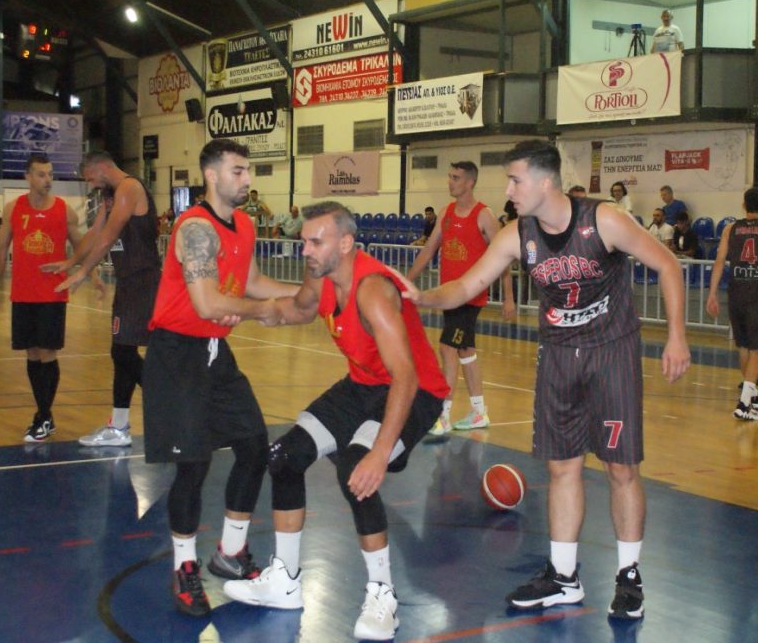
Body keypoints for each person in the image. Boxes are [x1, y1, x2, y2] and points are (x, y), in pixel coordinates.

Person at [397, 140, 690, 620]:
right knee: (561, 468)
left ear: (545, 182)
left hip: (611, 352)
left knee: (620, 469)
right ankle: (563, 576)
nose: (509, 191)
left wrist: (676, 336)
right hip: (557, 355)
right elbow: (468, 285)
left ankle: (629, 575)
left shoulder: (604, 220)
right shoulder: (517, 234)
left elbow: (668, 264)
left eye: (516, 180)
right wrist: (421, 297)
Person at [222, 201, 449, 641]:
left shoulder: (373, 292)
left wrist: (379, 454)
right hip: (363, 384)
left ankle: (382, 595)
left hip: (416, 392)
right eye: (304, 241)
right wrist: (242, 310)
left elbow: (405, 377)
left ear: (345, 244)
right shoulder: (321, 275)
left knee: (355, 471)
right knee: (284, 457)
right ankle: (285, 580)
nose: (305, 249)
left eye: (315, 241)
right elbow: (298, 309)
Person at [142, 139, 298, 617]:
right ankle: (184, 567)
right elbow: (208, 302)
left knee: (254, 446)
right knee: (193, 466)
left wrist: (307, 295)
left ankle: (230, 553)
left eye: (247, 170)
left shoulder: (244, 225)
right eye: (237, 171)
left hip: (214, 353)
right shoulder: (195, 228)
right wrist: (261, 311)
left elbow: (252, 283)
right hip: (176, 357)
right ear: (211, 175)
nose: (246, 179)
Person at [42, 151, 159, 448]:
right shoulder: (110, 196)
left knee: (123, 353)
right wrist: (71, 262)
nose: (91, 184)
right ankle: (119, 427)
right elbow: (95, 233)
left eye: (91, 178)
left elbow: (108, 236)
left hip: (143, 281)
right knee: (122, 353)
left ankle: (173, 404)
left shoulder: (129, 188)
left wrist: (83, 272)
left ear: (103, 167)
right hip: (128, 282)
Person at [0, 153, 95, 443]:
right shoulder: (13, 209)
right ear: (28, 177)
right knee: (32, 353)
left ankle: (44, 416)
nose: (48, 180)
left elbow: (82, 246)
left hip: (52, 293)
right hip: (23, 293)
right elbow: (0, 249)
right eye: (41, 174)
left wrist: (89, 273)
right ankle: (44, 415)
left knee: (48, 353)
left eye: (50, 174)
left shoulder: (64, 211)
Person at [404, 161, 515, 434]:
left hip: (470, 297)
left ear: (470, 182)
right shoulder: (446, 213)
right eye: (449, 176)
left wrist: (508, 298)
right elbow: (428, 251)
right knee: (466, 351)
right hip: (448, 296)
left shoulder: (484, 215)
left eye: (455, 177)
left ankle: (442, 415)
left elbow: (504, 257)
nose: (450, 181)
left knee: (447, 347)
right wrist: (405, 282)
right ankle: (479, 412)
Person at [706, 187, 758, 420]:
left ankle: (753, 398)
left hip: (736, 294)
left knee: (744, 347)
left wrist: (712, 293)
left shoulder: (730, 228)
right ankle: (744, 403)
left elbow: (719, 262)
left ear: (743, 205)